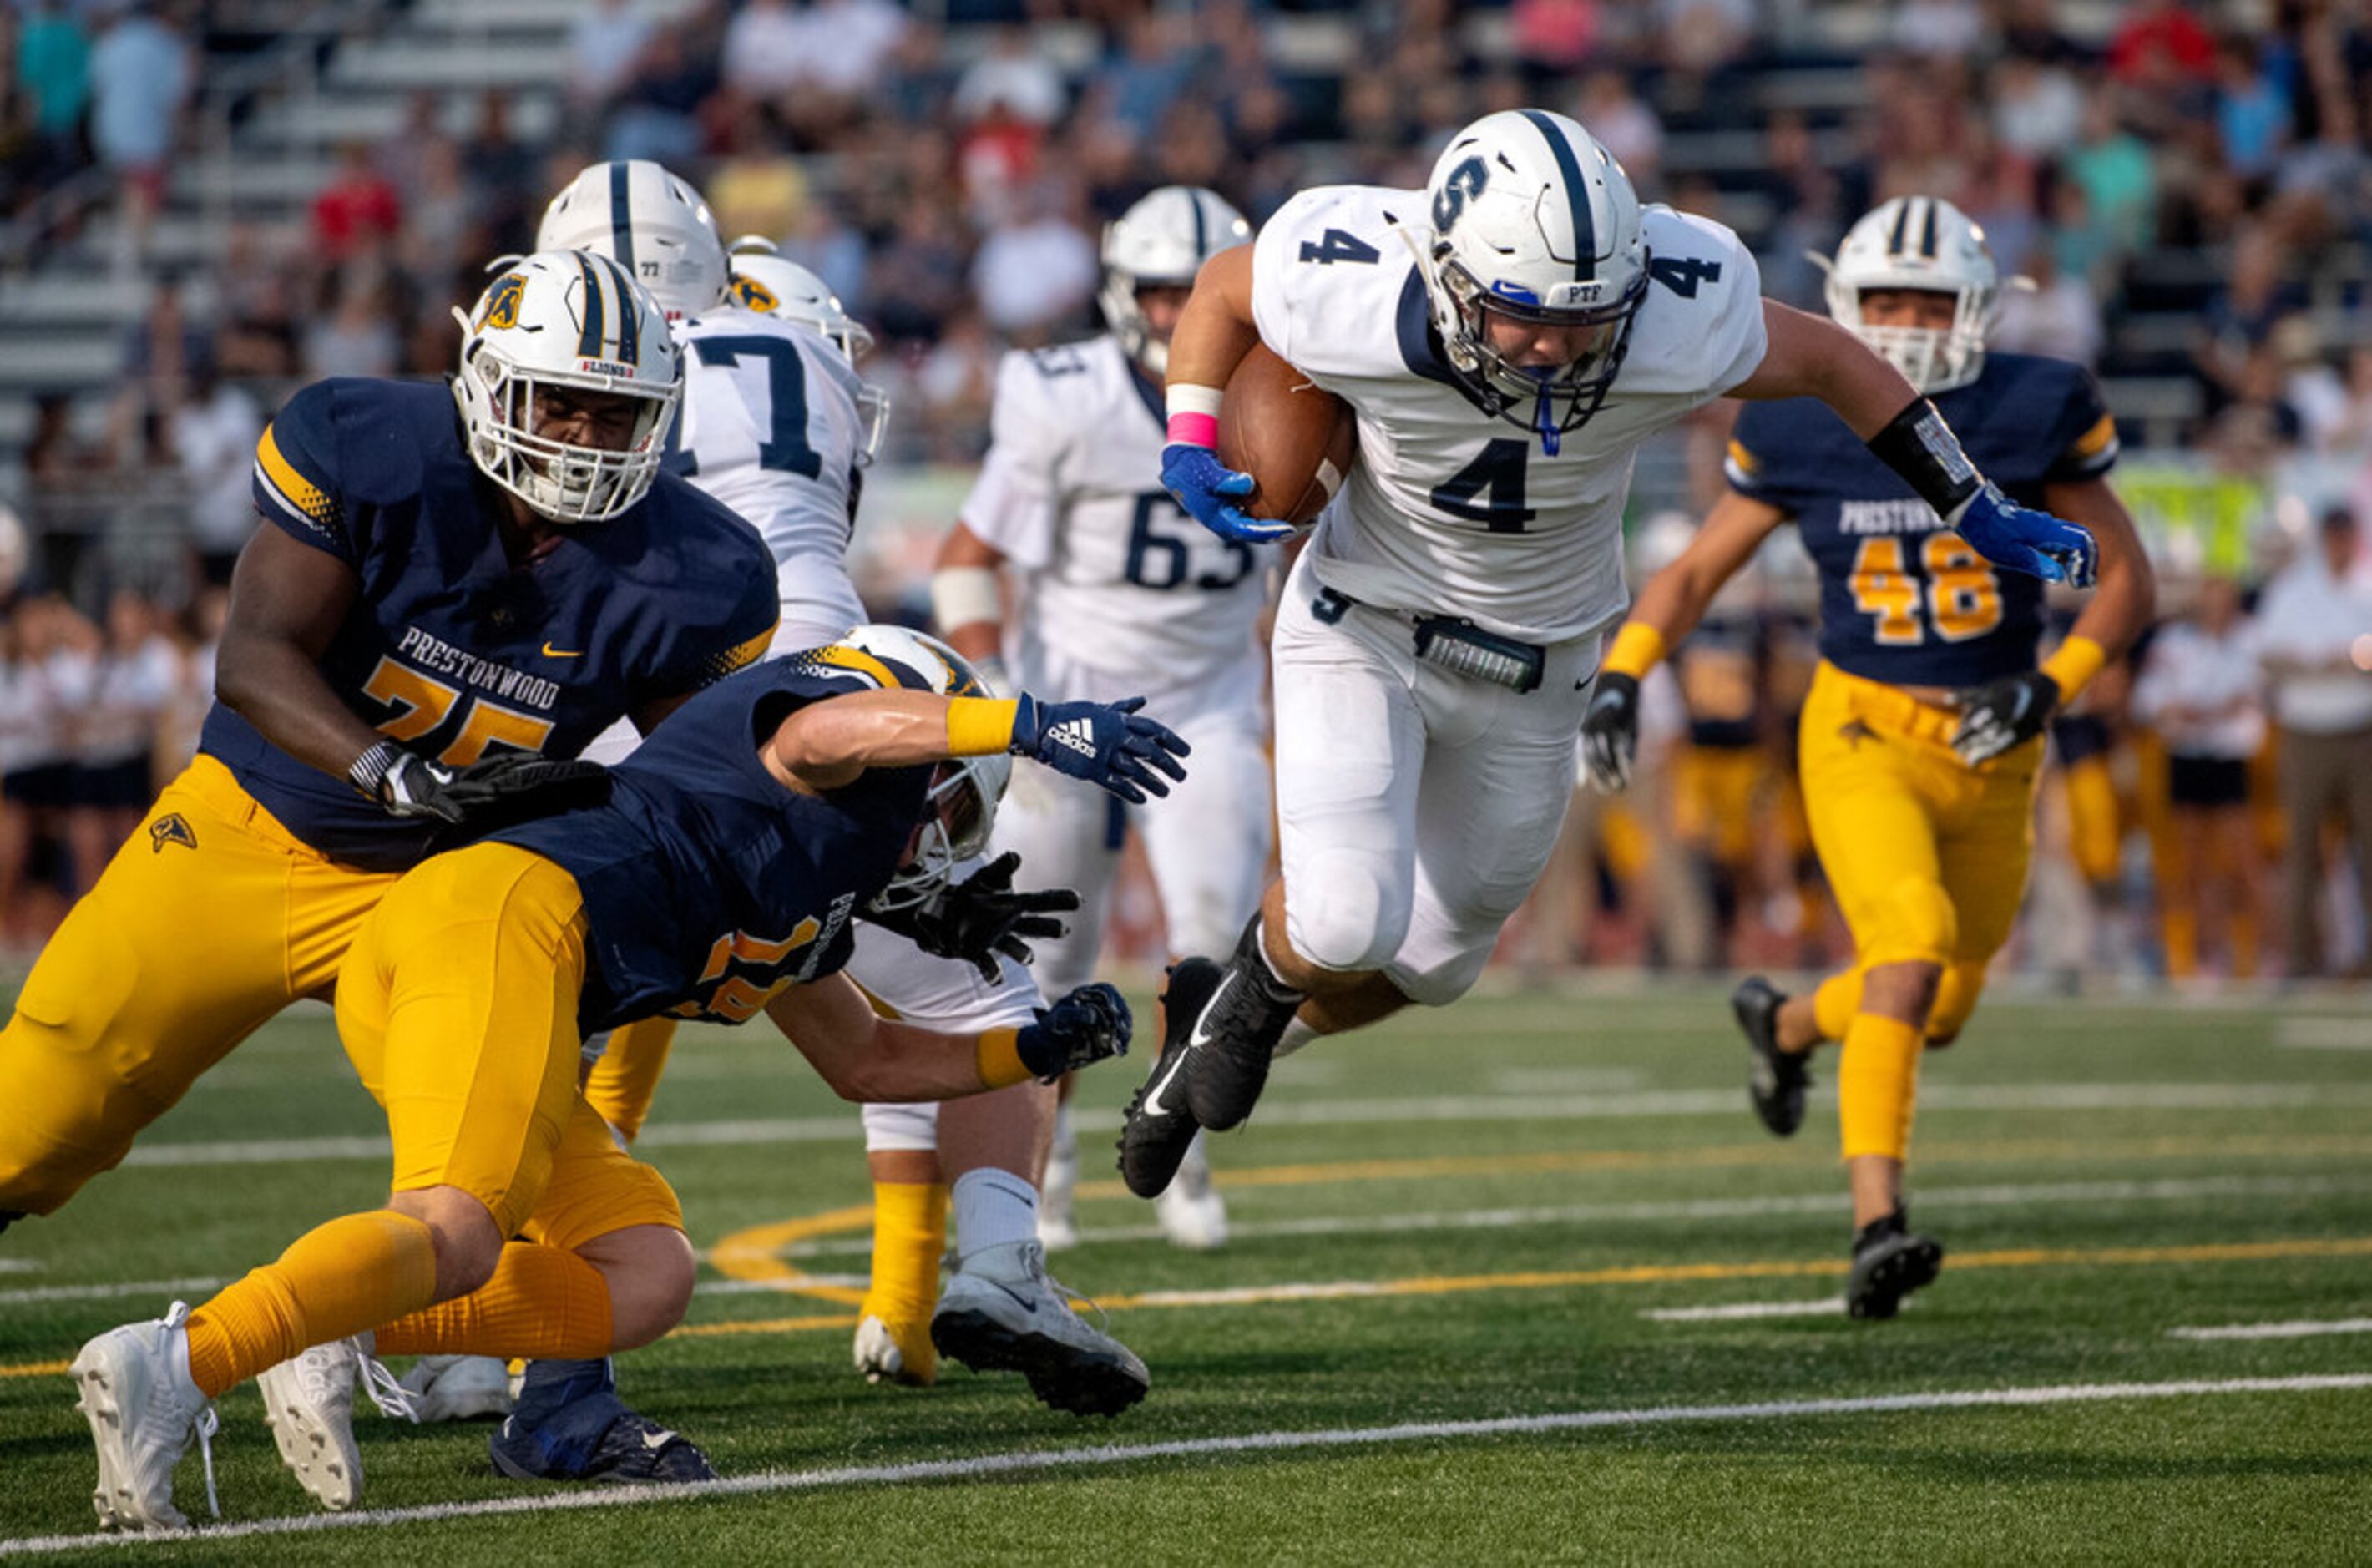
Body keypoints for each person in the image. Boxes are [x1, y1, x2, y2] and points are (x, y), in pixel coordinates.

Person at [1125, 114, 2101, 1210]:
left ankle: (1217, 1015)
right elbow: (1219, 288)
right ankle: (1249, 1001)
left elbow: (1834, 360)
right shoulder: (1348, 277)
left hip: (1543, 655)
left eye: (1586, 319)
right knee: (1351, 918)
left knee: (1439, 963)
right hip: (1366, 619)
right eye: (1525, 315)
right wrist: (1192, 432)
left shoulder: (1678, 304)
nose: (1554, 346)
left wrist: (1970, 503)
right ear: (1448, 272)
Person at [67, 625, 1175, 1533]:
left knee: (644, 1272)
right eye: (950, 805)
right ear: (919, 750)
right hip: (502, 920)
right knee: (455, 1227)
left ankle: (331, 1326)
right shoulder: (828, 715)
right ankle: (178, 1357)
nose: (940, 841)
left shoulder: (806, 880)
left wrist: (1024, 1055)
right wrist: (1026, 721)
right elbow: (827, 727)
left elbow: (865, 1058)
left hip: (489, 970)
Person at [3, 251, 783, 1503]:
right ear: (482, 380)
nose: (583, 438)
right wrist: (392, 775)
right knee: (31, 1128)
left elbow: (717, 780)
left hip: (444, 902)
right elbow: (253, 656)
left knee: (553, 1209)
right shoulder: (369, 442)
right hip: (252, 833)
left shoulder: (697, 567)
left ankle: (534, 1402)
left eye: (614, 412)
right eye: (556, 404)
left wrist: (866, 872)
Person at [536, 164, 1154, 1419]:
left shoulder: (578, 368)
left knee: (543, 1028)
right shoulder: (793, 348)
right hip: (811, 710)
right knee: (974, 981)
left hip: (614, 723)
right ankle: (996, 1265)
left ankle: (483, 1327)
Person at [1579, 196, 2153, 1317]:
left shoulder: (2037, 405)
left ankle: (1786, 1021)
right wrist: (1625, 671)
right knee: (1912, 943)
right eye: (1881, 298)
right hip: (1861, 729)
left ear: (1977, 309)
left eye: (1925, 300)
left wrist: (2048, 685)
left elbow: (2126, 579)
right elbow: (1697, 570)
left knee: (1939, 1003)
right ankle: (1874, 1224)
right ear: (1842, 302)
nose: (1900, 320)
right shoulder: (1798, 421)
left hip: (1997, 744)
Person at [931, 185, 1270, 1253]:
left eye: (1200, 293)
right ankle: (1053, 1159)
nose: (1179, 316)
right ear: (1127, 294)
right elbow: (967, 560)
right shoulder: (1063, 393)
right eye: (1165, 292)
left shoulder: (1292, 395)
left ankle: (1181, 1145)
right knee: (1050, 962)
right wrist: (997, 699)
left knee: (1212, 942)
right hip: (1072, 713)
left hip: (1210, 704)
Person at [2256, 506, 2372, 977]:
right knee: (2301, 849)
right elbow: (2268, 656)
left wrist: (2347, 660)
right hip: (2305, 728)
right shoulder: (2292, 591)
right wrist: (2317, 664)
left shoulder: (2366, 588)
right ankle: (2302, 958)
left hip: (2360, 726)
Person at [2132, 576, 2267, 978]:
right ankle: (2194, 955)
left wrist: (2209, 713)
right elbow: (2149, 701)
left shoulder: (2251, 640)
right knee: (2190, 865)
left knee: (2243, 861)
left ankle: (2252, 954)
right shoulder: (2173, 643)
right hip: (2187, 757)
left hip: (2232, 759)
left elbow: (2254, 699)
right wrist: (2184, 713)